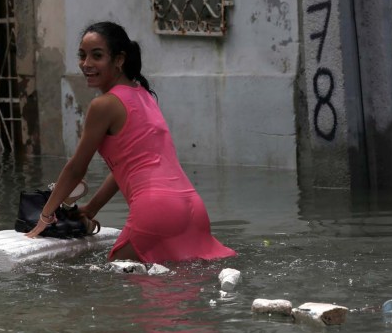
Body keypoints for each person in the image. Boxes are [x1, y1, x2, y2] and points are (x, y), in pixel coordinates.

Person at [26, 21, 236, 263]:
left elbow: (76, 168)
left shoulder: (103, 105)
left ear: (119, 60)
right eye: (82, 56)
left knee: (116, 292)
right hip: (193, 208)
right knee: (180, 293)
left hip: (156, 209)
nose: (86, 64)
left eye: (97, 56)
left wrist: (45, 217)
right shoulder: (145, 96)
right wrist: (91, 208)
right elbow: (126, 167)